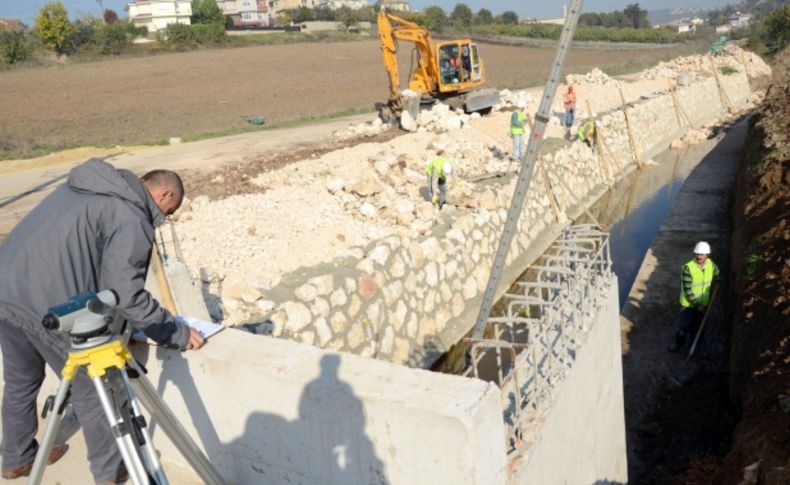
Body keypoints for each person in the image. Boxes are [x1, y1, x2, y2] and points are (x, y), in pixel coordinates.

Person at [0, 158, 205, 483]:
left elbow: (89, 265)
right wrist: (176, 332)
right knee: (92, 388)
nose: (164, 220)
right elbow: (126, 293)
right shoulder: (131, 216)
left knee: (21, 381)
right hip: (45, 306)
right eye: (169, 213)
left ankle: (15, 458)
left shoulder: (83, 186)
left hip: (7, 287)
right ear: (165, 195)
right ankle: (113, 471)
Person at [668, 241, 720, 353]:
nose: (699, 256)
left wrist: (718, 283)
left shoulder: (711, 265)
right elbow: (687, 290)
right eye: (697, 254)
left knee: (698, 329)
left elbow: (717, 274)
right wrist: (697, 305)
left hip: (703, 304)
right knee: (684, 327)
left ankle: (694, 348)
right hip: (688, 305)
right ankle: (678, 345)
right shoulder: (688, 268)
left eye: (702, 254)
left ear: (707, 255)